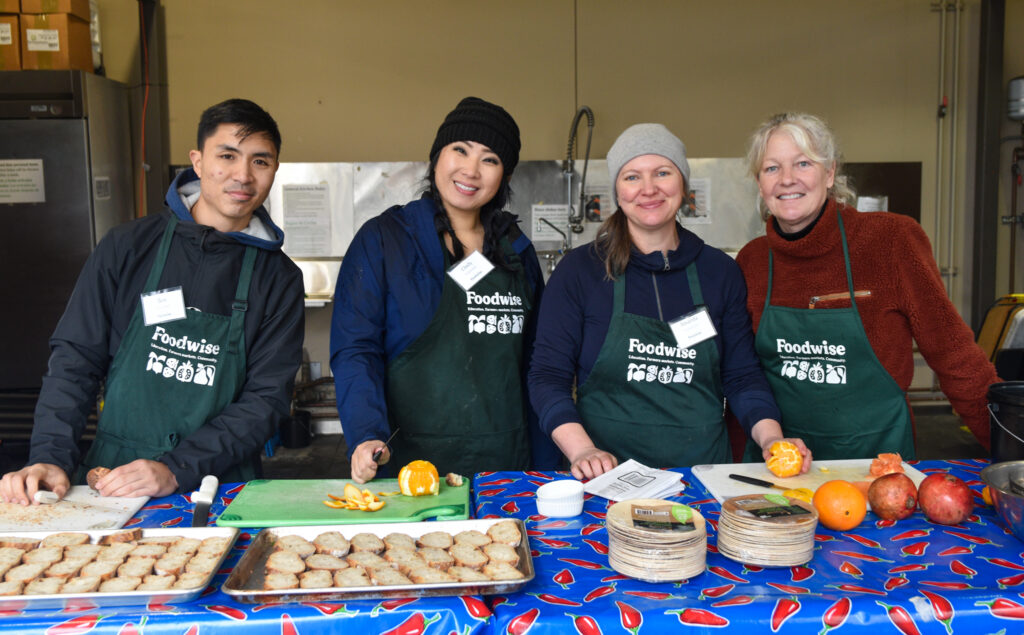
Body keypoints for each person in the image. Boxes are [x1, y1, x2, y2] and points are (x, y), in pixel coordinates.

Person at [0, 99, 304, 504]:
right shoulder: (127, 247)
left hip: (223, 484)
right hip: (113, 478)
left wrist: (177, 468)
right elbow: (76, 359)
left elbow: (266, 399)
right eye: (227, 156)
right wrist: (50, 455)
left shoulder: (279, 278)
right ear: (197, 161)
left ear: (274, 170)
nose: (242, 175)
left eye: (260, 162)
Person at [529, 123, 809, 480]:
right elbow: (547, 377)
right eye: (632, 176)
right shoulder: (581, 271)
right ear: (617, 189)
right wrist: (582, 449)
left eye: (663, 172)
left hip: (703, 476)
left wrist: (771, 439)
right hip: (606, 479)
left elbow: (741, 377)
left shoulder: (719, 272)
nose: (649, 189)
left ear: (683, 183)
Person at [736, 112, 999, 460]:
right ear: (760, 183)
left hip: (876, 465)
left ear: (829, 173)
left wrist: (1010, 448)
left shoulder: (891, 241)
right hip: (780, 465)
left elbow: (955, 354)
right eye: (771, 168)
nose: (787, 179)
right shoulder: (752, 261)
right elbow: (742, 373)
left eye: (802, 164)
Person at [331, 96, 559, 483]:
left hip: (507, 463)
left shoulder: (515, 247)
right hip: (410, 466)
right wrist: (366, 432)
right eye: (460, 150)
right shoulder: (386, 240)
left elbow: (537, 362)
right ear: (437, 156)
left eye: (490, 159)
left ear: (503, 175)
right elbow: (356, 348)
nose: (471, 170)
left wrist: (549, 464)